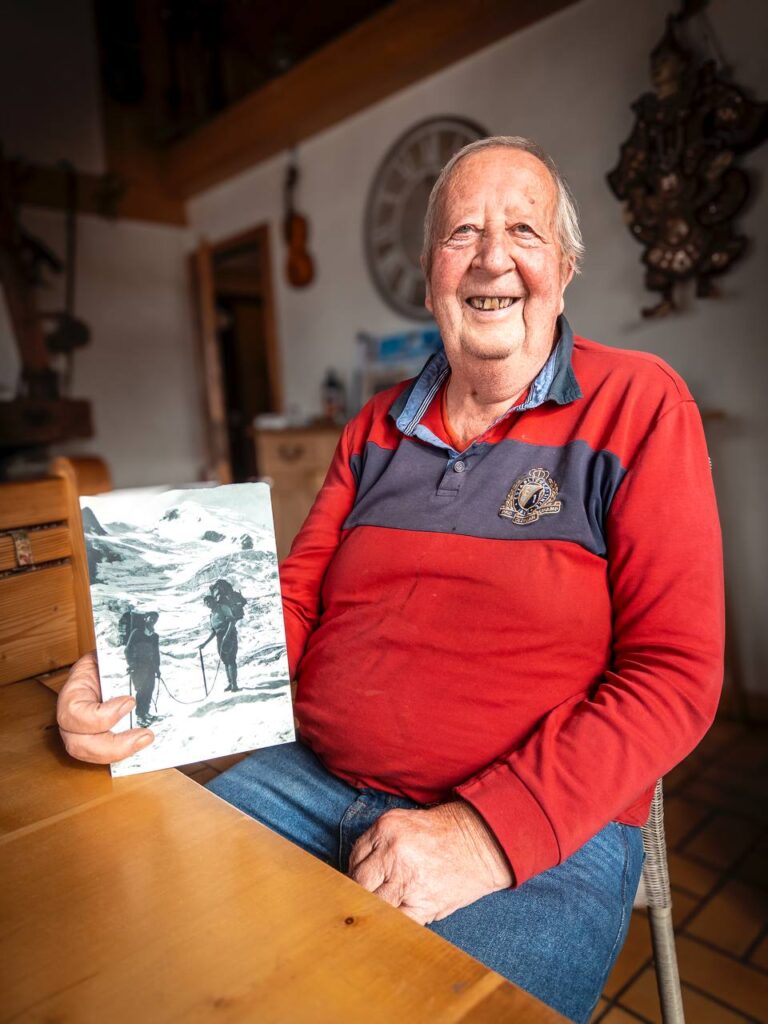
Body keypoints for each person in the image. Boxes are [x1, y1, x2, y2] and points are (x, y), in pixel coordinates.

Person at [56, 137, 723, 1023]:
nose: (492, 257)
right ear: (428, 276)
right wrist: (134, 692)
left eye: (523, 230)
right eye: (463, 234)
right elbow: (288, 602)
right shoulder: (374, 428)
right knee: (136, 955)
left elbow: (675, 676)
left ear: (563, 269)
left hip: (530, 834)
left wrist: (486, 835)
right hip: (306, 781)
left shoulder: (641, 405)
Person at [198, 582, 242, 693]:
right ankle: (230, 683)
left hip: (229, 635)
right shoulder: (211, 615)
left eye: (209, 601)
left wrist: (226, 636)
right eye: (206, 602)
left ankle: (234, 685)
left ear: (213, 600)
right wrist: (205, 643)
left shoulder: (223, 607)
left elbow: (232, 621)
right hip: (219, 637)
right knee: (225, 661)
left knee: (231, 659)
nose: (208, 603)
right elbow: (214, 631)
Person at [122, 611, 161, 728]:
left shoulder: (154, 636)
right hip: (138, 667)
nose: (153, 620)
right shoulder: (136, 633)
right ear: (145, 618)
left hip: (150, 667)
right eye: (151, 617)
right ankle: (140, 716)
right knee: (141, 690)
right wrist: (131, 663)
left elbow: (156, 653)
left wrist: (157, 668)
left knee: (150, 689)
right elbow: (127, 650)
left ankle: (146, 713)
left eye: (155, 618)